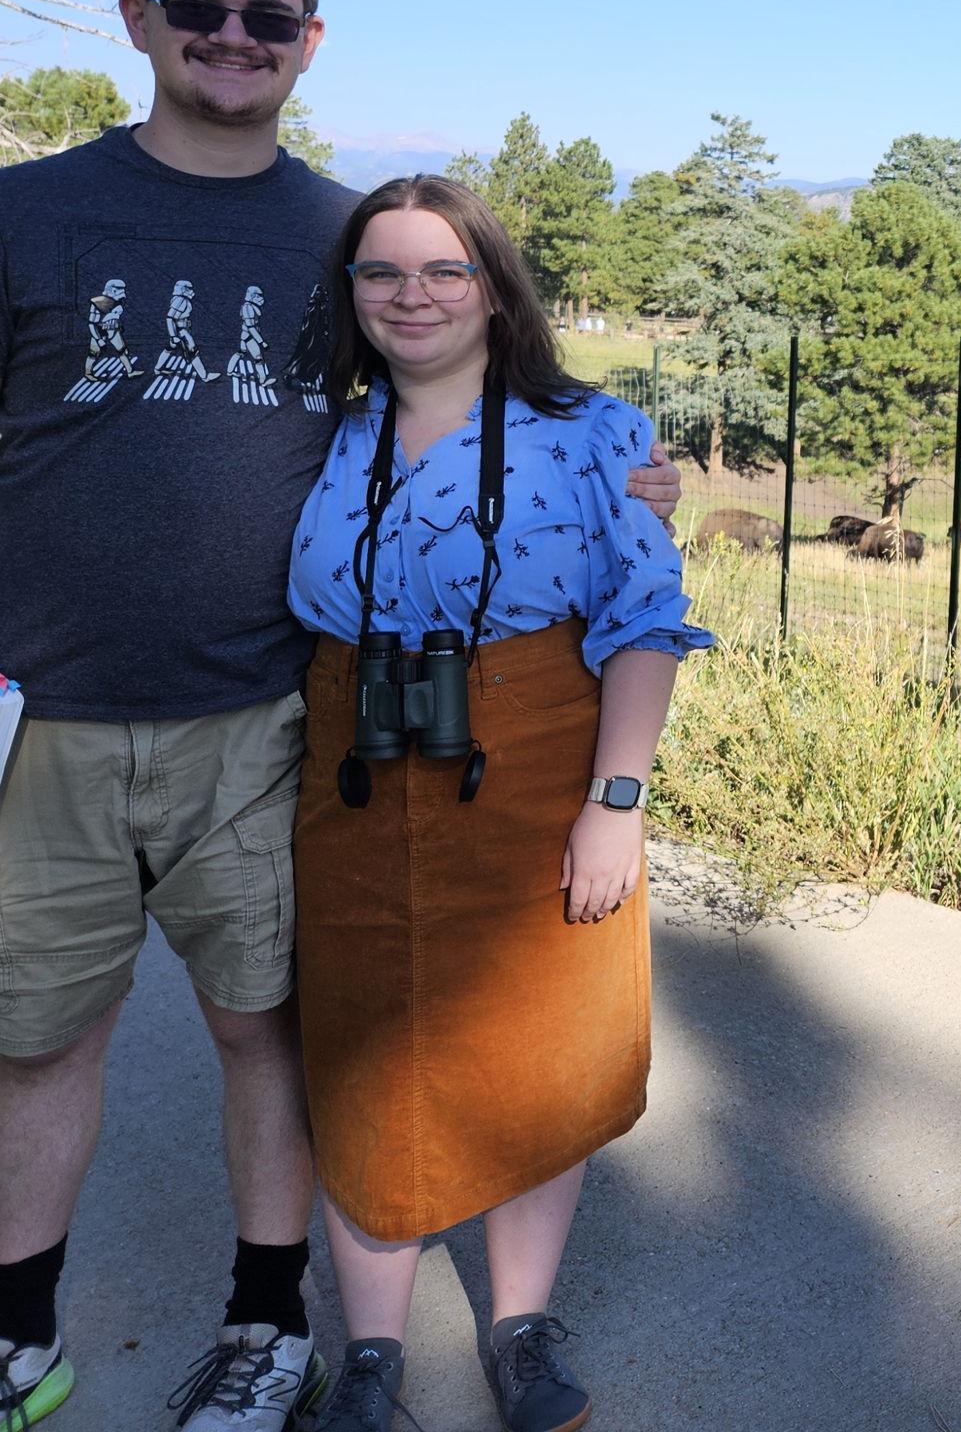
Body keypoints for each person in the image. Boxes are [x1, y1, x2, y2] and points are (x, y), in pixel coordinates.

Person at [0, 0, 679, 1432]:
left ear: (309, 41)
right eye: (196, 8)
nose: (230, 38)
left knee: (288, 1036)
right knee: (44, 1037)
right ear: (135, 18)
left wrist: (630, 493)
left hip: (272, 725)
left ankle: (280, 1332)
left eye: (266, 16)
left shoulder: (345, 236)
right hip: (88, 720)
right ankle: (25, 1337)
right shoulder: (29, 215)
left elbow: (603, 547)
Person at [285, 176, 708, 1432]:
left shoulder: (594, 434)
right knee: (362, 1052)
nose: (409, 294)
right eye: (380, 270)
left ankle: (519, 1324)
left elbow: (644, 619)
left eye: (443, 268)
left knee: (540, 1050)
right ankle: (372, 1349)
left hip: (535, 759)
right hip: (354, 766)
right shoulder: (321, 432)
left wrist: (615, 800)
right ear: (350, 292)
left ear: (494, 288)